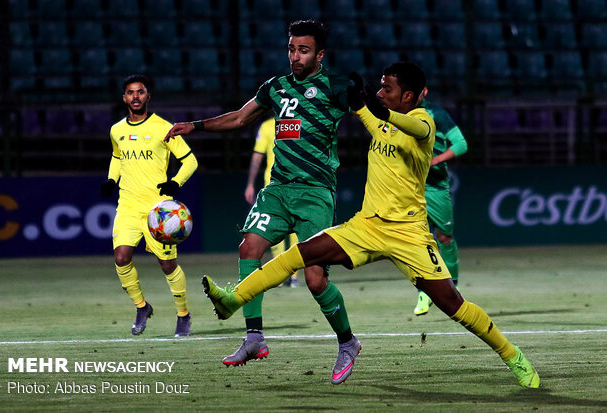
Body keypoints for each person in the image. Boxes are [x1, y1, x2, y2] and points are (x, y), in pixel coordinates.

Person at [202, 62, 540, 388]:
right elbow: (366, 113)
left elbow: (416, 129)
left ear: (407, 97)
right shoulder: (381, 119)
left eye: (387, 88)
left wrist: (380, 112)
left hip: (408, 234)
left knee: (454, 305)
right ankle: (234, 301)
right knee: (300, 255)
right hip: (367, 226)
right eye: (379, 86)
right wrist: (356, 100)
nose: (380, 92)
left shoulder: (423, 121)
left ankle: (513, 356)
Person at [165, 20, 356, 373]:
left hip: (315, 194)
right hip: (278, 190)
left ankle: (347, 342)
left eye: (304, 50)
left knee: (315, 280)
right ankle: (254, 338)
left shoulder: (336, 86)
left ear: (320, 54)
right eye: (291, 49)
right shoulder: (276, 87)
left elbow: (371, 115)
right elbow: (239, 119)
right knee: (248, 248)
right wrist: (196, 126)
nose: (295, 57)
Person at [100, 74, 198, 337]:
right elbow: (117, 157)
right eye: (130, 92)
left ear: (147, 96)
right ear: (124, 98)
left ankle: (183, 314)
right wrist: (112, 179)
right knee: (121, 257)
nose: (135, 97)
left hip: (159, 212)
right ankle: (141, 307)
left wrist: (175, 183)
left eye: (140, 92)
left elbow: (190, 161)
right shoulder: (116, 130)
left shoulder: (164, 128)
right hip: (128, 206)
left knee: (167, 265)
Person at [413, 87, 468, 316]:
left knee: (444, 237)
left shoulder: (438, 114)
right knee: (418, 240)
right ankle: (424, 292)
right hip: (410, 187)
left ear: (422, 90)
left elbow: (461, 145)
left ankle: (451, 287)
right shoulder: (396, 114)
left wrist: (435, 160)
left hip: (435, 187)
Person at [244, 117, 299, 288]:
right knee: (285, 229)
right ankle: (288, 274)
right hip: (284, 185)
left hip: (284, 185)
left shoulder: (275, 126)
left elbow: (257, 156)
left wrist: (250, 184)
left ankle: (289, 274)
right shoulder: (278, 125)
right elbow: (257, 156)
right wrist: (250, 184)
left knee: (283, 229)